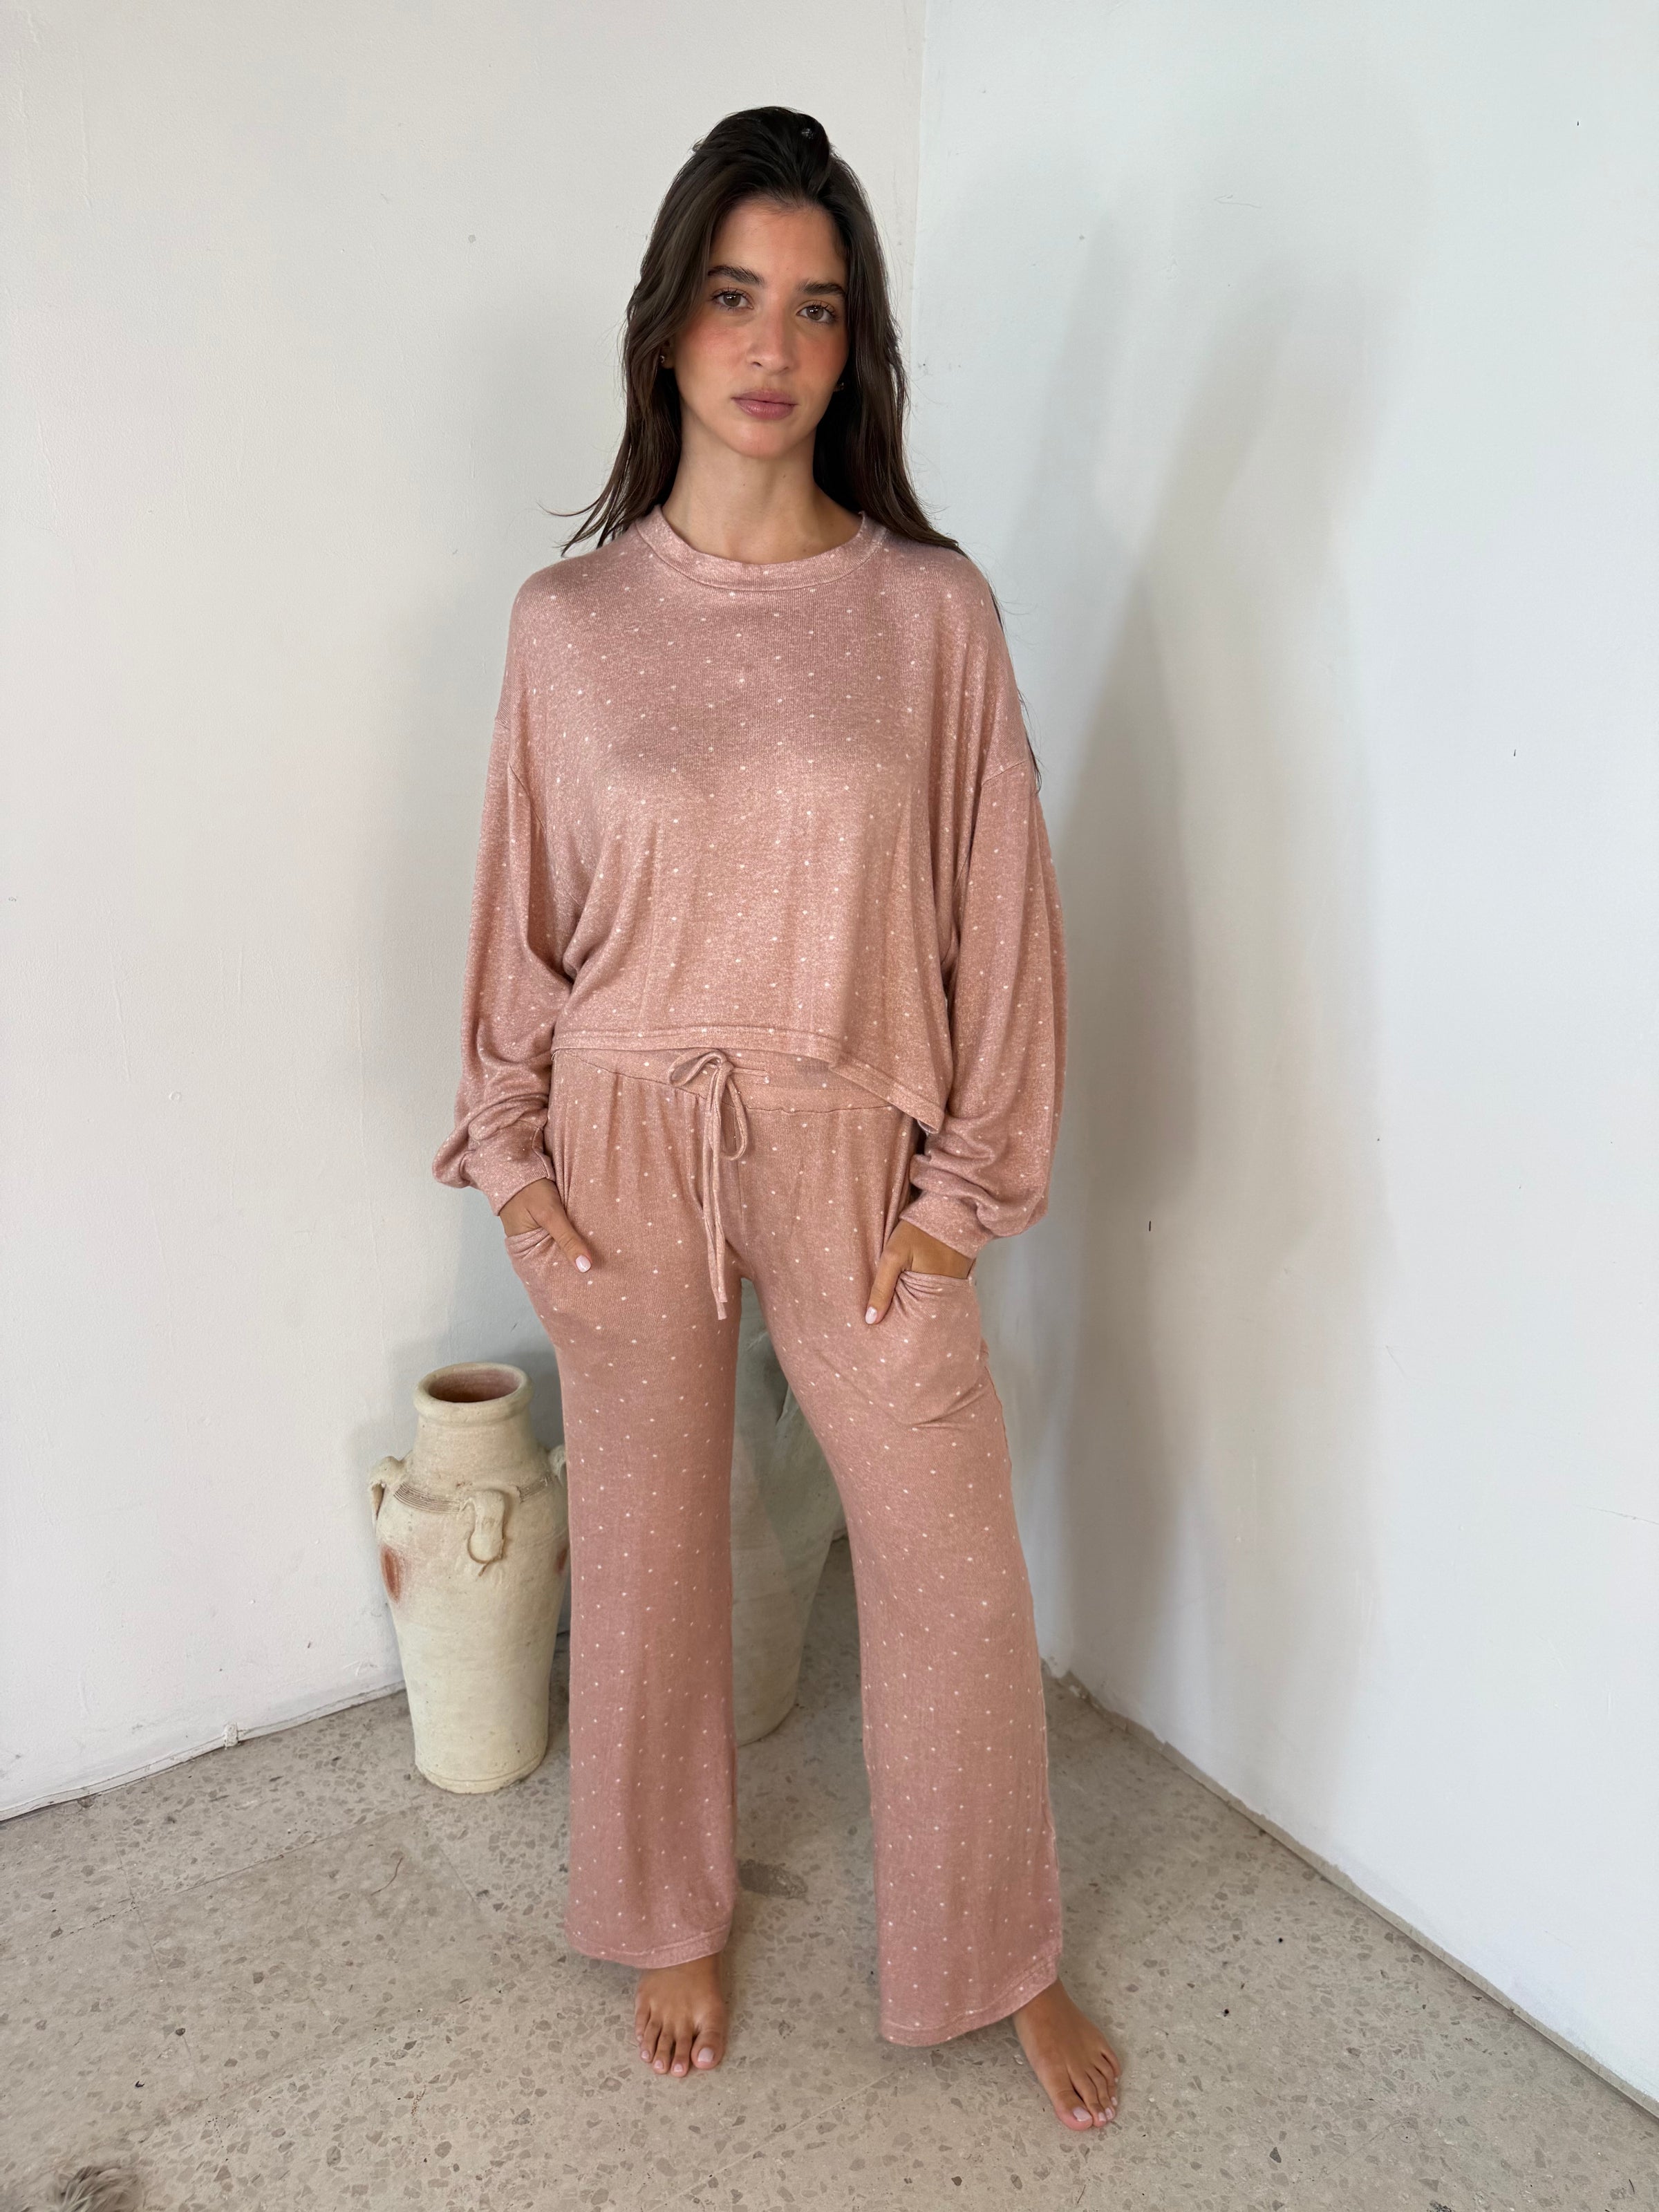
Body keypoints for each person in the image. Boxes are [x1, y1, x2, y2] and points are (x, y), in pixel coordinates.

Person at [433, 104, 1121, 2134]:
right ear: (668, 325)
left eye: (817, 309)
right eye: (735, 295)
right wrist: (519, 1171)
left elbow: (1001, 917)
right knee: (648, 1551)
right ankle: (666, 1903)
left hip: (849, 1138)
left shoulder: (929, 613)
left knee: (951, 1564)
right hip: (626, 1134)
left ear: (854, 347)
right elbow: (521, 911)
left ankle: (999, 1950)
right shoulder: (568, 628)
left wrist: (960, 1200)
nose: (772, 344)